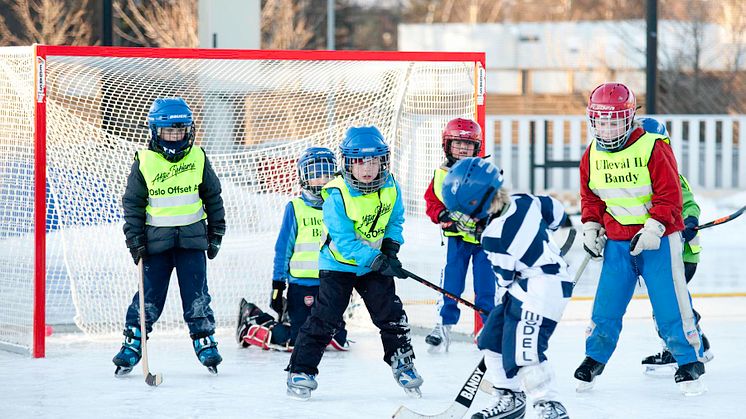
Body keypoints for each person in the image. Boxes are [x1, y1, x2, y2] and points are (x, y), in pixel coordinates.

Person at [574, 82, 706, 395]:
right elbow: (590, 197)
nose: (607, 129)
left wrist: (654, 228)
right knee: (606, 303)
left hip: (658, 241)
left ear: (630, 118)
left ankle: (689, 360)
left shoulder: (652, 147)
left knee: (669, 304)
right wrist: (591, 226)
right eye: (601, 122)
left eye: (615, 121)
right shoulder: (592, 154)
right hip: (619, 242)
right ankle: (595, 357)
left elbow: (671, 194)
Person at [285, 126, 422, 399]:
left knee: (391, 313)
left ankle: (402, 362)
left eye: (374, 161)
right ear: (347, 163)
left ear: (383, 161)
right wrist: (377, 259)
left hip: (375, 263)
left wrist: (391, 248)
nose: (368, 168)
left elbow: (395, 221)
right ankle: (301, 370)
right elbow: (345, 242)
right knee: (326, 319)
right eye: (359, 162)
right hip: (338, 266)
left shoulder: (390, 186)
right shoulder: (336, 195)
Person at [441, 157, 571, 419]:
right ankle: (510, 397)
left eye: (463, 214)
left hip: (541, 291)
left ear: (476, 204)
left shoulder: (492, 237)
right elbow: (557, 213)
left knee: (525, 349)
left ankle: (549, 406)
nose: (461, 220)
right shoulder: (525, 200)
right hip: (534, 284)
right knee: (490, 340)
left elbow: (505, 278)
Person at [113, 97, 226, 375]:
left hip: (192, 242)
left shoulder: (198, 157)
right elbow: (133, 205)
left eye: (180, 131)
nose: (175, 137)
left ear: (189, 130)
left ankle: (204, 339)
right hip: (155, 246)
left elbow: (212, 197)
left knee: (197, 295)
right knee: (149, 297)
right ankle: (134, 342)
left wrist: (217, 230)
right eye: (168, 131)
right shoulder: (145, 161)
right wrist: (135, 240)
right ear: (155, 131)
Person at [236, 147, 349, 352]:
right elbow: (283, 250)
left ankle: (292, 316)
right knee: (299, 341)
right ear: (305, 177)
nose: (322, 180)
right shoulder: (296, 208)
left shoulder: (341, 207)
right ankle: (252, 319)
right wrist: (278, 285)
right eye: (316, 175)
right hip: (302, 285)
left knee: (338, 339)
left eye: (327, 174)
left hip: (330, 283)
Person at [637, 117, 713, 372]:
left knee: (667, 304)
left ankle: (686, 346)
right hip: (662, 253)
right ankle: (697, 339)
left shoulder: (668, 171)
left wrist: (689, 221)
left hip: (682, 255)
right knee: (672, 302)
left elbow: (689, 204)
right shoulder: (637, 177)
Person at [423, 118, 495, 352]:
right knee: (451, 283)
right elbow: (431, 202)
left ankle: (489, 328)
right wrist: (443, 215)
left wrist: (486, 219)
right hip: (457, 240)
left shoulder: (485, 173)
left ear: (477, 147)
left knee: (486, 286)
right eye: (458, 143)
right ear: (447, 145)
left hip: (484, 242)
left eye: (468, 144)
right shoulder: (441, 174)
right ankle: (443, 326)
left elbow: (498, 202)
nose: (463, 149)